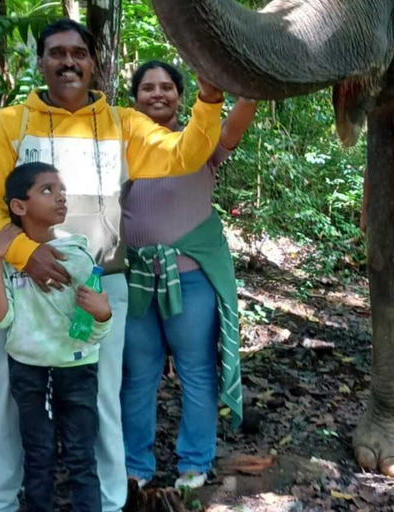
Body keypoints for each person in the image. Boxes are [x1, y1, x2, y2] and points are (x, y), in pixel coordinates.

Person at [0, 20, 224, 512]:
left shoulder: (122, 125)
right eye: (57, 53)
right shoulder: (10, 124)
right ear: (40, 62)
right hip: (24, 288)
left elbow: (184, 153)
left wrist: (209, 102)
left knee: (103, 400)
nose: (69, 62)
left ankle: (108, 504)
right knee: (12, 406)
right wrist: (25, 253)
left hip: (101, 290)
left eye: (79, 53)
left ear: (94, 63)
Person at [120, 60, 257, 490]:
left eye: (166, 87)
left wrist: (247, 80)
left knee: (196, 370)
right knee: (138, 373)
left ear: (182, 96)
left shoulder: (200, 142)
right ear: (135, 97)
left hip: (191, 279)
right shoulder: (117, 146)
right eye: (147, 88)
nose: (157, 94)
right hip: (135, 279)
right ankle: (132, 466)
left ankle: (194, 463)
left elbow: (239, 117)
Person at [0, 162, 112, 512]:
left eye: (62, 191)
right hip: (30, 371)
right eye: (47, 190)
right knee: (37, 458)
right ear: (18, 206)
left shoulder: (78, 257)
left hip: (77, 370)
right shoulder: (10, 262)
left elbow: (91, 329)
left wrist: (102, 313)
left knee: (81, 457)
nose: (61, 198)